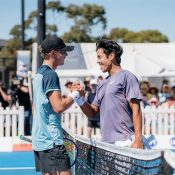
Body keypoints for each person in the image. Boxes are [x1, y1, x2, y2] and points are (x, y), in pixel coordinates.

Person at [74, 38, 144, 149]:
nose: (97, 61)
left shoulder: (127, 76)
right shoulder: (101, 84)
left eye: (99, 57)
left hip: (124, 141)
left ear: (111, 56)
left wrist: (138, 140)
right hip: (106, 144)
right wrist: (80, 99)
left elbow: (137, 110)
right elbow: (92, 113)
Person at [32, 36, 81, 175]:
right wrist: (75, 94)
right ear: (52, 53)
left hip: (40, 140)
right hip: (51, 141)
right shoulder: (50, 75)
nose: (65, 54)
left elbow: (38, 105)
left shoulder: (38, 74)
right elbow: (58, 107)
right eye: (62, 51)